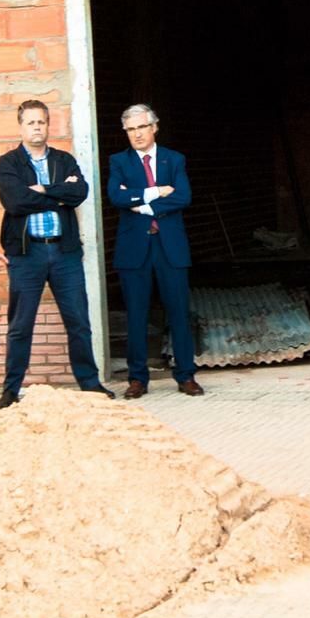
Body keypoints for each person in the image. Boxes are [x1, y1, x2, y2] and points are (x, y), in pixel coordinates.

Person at [0, 100, 111, 405]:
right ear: (21, 126)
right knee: (21, 326)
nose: (36, 127)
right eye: (30, 122)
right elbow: (15, 202)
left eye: (41, 122)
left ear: (49, 125)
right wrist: (60, 194)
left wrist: (43, 190)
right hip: (26, 254)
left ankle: (90, 383)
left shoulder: (64, 159)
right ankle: (10, 390)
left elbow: (80, 192)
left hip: (64, 252)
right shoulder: (8, 163)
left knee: (79, 321)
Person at [107, 104, 202, 398]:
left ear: (154, 127)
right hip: (135, 249)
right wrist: (155, 192)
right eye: (130, 129)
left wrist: (143, 206)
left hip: (169, 247)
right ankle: (137, 379)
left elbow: (184, 196)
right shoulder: (119, 161)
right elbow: (116, 196)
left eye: (141, 127)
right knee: (136, 314)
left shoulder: (174, 160)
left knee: (178, 313)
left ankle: (186, 375)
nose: (136, 134)